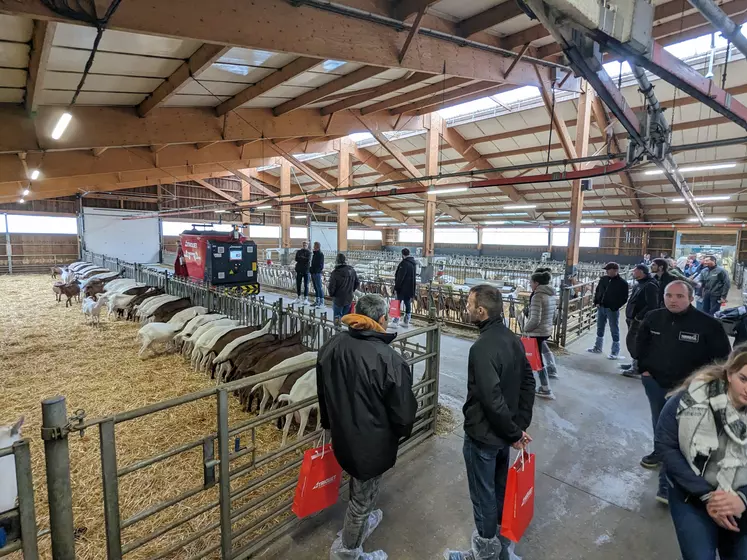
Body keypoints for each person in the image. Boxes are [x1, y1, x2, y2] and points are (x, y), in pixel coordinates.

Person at [317, 294, 417, 560]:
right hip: (371, 442)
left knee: (361, 486)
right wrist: (401, 432)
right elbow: (404, 412)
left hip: (343, 434)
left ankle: (362, 522)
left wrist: (329, 423)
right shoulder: (390, 360)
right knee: (361, 498)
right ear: (382, 319)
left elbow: (322, 390)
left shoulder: (332, 345)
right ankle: (349, 551)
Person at [445, 285, 535, 560]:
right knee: (498, 489)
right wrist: (518, 427)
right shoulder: (512, 338)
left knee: (483, 496)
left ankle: (486, 553)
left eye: (470, 305)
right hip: (503, 436)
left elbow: (491, 400)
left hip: (483, 436)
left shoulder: (482, 348)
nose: (466, 309)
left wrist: (513, 430)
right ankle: (500, 547)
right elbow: (528, 382)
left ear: (481, 312)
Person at [636, 280, 731, 505]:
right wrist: (644, 369)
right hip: (657, 383)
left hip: (691, 390)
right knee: (660, 424)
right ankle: (660, 453)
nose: (673, 300)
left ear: (691, 298)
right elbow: (640, 343)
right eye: (669, 295)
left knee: (683, 434)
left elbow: (722, 359)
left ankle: (668, 485)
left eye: (679, 296)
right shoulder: (654, 318)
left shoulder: (708, 325)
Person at [655, 345, 747, 558]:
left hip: (739, 496)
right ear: (729, 373)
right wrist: (707, 495)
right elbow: (665, 444)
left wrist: (742, 498)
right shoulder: (689, 400)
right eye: (744, 379)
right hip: (692, 493)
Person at [523, 268, 558, 400]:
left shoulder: (537, 296)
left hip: (536, 332)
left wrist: (526, 329)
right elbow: (554, 315)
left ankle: (545, 388)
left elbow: (535, 318)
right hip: (545, 330)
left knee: (536, 360)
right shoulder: (550, 295)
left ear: (536, 283)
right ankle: (543, 382)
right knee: (535, 358)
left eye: (531, 282)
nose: (530, 285)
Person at [620, 264, 659, 378]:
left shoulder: (650, 285)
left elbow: (652, 304)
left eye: (635, 271)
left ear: (641, 272)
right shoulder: (641, 283)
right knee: (633, 342)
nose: (633, 273)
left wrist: (639, 316)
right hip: (632, 317)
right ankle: (635, 364)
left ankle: (637, 367)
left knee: (635, 343)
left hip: (639, 320)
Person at [587, 262, 629, 359]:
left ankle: (615, 351)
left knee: (614, 328)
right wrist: (596, 302)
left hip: (612, 309)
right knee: (600, 326)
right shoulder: (603, 279)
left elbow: (624, 298)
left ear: (615, 270)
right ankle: (597, 347)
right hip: (601, 307)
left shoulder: (622, 283)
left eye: (608, 270)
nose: (606, 271)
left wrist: (614, 306)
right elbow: (598, 291)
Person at [328, 253, 360, 323]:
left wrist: (332, 294)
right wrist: (351, 290)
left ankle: (337, 330)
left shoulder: (335, 273)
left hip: (338, 299)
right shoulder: (352, 270)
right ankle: (345, 329)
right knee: (346, 317)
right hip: (349, 298)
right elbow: (357, 283)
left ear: (337, 261)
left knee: (337, 316)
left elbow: (331, 287)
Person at [390, 248, 417, 328]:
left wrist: (396, 287)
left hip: (402, 288)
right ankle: (406, 321)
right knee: (407, 302)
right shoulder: (413, 263)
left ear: (402, 254)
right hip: (410, 288)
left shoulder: (404, 263)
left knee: (396, 303)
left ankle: (395, 322)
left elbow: (400, 277)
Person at [294, 241, 312, 305]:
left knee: (306, 285)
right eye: (304, 244)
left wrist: (301, 258)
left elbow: (308, 260)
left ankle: (306, 298)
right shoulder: (299, 251)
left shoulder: (309, 252)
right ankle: (299, 297)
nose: (304, 245)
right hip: (299, 270)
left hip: (306, 270)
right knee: (298, 284)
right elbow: (296, 258)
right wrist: (303, 259)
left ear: (307, 245)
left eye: (306, 245)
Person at [309, 241, 325, 307]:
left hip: (317, 273)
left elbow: (320, 265)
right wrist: (311, 270)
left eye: (315, 246)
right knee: (315, 287)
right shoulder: (314, 254)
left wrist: (317, 270)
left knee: (319, 287)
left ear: (317, 247)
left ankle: (322, 302)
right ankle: (317, 300)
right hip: (313, 273)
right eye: (314, 246)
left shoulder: (320, 254)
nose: (313, 247)